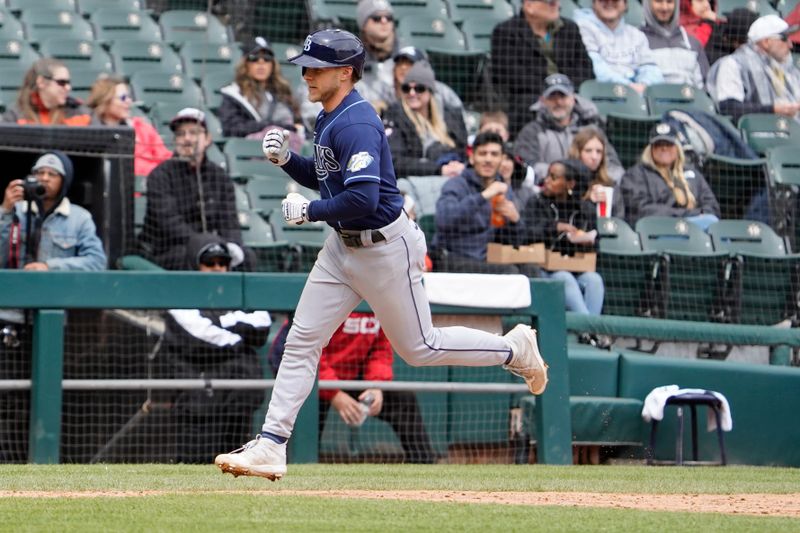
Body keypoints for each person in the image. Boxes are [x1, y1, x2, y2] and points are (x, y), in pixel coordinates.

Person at [214, 28, 548, 480]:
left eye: (317, 67)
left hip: (384, 247)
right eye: (306, 67)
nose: (306, 75)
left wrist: (309, 211)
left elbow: (364, 200)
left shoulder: (356, 121)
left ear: (346, 73)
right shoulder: (328, 114)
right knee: (301, 341)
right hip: (342, 248)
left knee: (420, 348)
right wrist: (288, 161)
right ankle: (272, 444)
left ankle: (512, 349)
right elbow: (330, 176)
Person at [0, 151, 106, 462]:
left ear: (64, 181)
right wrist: (5, 210)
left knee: (41, 397)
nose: (44, 178)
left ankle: (32, 460)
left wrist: (51, 266)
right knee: (6, 395)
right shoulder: (15, 211)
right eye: (39, 172)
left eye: (52, 173)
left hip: (52, 326)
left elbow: (96, 261)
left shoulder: (78, 218)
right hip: (8, 319)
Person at [268, 312, 436, 464]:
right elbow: (308, 350)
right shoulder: (330, 293)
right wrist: (334, 393)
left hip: (351, 374)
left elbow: (380, 349)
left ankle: (425, 465)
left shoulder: (381, 300)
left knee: (403, 399)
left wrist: (376, 384)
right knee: (305, 417)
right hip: (308, 372)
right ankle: (292, 467)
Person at [163, 233, 270, 464]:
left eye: (223, 263)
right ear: (195, 265)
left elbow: (262, 325)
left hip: (240, 404)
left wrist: (221, 321)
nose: (218, 268)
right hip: (198, 410)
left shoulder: (243, 294)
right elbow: (200, 336)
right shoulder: (179, 295)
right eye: (209, 263)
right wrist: (238, 332)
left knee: (238, 474)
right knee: (196, 475)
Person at [137, 107, 247, 270]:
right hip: (170, 249)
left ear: (208, 138)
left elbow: (229, 221)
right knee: (186, 258)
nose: (187, 139)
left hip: (213, 247)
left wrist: (230, 246)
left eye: (194, 132)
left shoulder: (220, 176)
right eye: (181, 134)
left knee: (247, 257)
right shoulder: (160, 175)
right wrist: (205, 245)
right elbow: (168, 222)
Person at [433, 131, 538, 277]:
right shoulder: (456, 185)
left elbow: (510, 241)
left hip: (488, 259)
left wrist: (515, 221)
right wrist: (483, 196)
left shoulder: (503, 190)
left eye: (494, 154)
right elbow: (444, 219)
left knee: (531, 270)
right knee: (509, 273)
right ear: (472, 157)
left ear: (501, 159)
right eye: (483, 153)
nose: (488, 159)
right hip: (453, 258)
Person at [491, 0, 594, 136]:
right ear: (529, 6)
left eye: (558, 2)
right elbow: (509, 74)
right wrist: (549, 92)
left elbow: (585, 68)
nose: (557, 6)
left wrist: (566, 90)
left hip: (569, 94)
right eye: (551, 3)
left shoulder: (569, 28)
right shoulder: (505, 31)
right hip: (529, 98)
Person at [520, 160, 606, 322]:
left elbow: (597, 246)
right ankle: (591, 331)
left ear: (570, 183)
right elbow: (524, 235)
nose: (547, 180)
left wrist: (585, 242)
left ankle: (587, 333)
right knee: (564, 277)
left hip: (576, 268)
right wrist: (554, 228)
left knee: (594, 280)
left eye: (554, 177)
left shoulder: (584, 209)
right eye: (547, 176)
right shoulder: (536, 202)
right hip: (544, 268)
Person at [513, 73, 625, 183]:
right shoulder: (532, 131)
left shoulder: (591, 129)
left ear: (573, 98)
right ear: (543, 100)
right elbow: (527, 168)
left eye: (562, 96)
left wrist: (593, 181)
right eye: (552, 97)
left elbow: (615, 168)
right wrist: (566, 177)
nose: (558, 102)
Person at [620, 122, 720, 229]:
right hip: (658, 230)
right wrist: (687, 214)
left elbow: (712, 207)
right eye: (659, 145)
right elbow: (642, 209)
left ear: (677, 148)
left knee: (712, 223)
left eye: (669, 144)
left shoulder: (693, 174)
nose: (664, 148)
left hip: (695, 230)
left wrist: (698, 214)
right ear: (651, 149)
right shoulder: (636, 174)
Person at [706, 15, 800, 123]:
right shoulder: (733, 64)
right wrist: (773, 110)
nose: (790, 45)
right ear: (766, 42)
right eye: (784, 38)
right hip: (752, 135)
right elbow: (728, 108)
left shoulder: (788, 69)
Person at [383, 61, 468, 179]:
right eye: (407, 88)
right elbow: (394, 161)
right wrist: (438, 169)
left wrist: (455, 164)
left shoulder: (450, 115)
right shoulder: (394, 115)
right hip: (412, 181)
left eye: (419, 88)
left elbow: (462, 150)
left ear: (430, 91)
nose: (412, 93)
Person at [217, 36, 302, 142]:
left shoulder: (283, 92)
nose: (261, 63)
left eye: (266, 58)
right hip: (252, 150)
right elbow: (231, 128)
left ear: (272, 64)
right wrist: (269, 126)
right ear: (245, 63)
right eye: (254, 58)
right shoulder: (234, 94)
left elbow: (298, 125)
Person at [87, 75, 172, 178]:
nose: (129, 101)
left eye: (128, 97)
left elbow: (166, 159)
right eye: (123, 98)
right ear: (105, 100)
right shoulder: (88, 131)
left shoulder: (142, 128)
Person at [574, 0, 664, 93]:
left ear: (625, 4)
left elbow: (651, 67)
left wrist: (644, 85)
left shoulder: (636, 34)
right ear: (594, 3)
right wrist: (629, 87)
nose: (609, 2)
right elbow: (594, 66)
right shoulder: (581, 28)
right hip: (601, 93)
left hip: (635, 96)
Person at [2, 58, 91, 126]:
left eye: (68, 83)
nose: (68, 88)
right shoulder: (14, 116)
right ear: (41, 82)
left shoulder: (82, 113)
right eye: (61, 82)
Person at [641, 0, 710, 87]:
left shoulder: (692, 43)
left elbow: (704, 86)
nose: (664, 8)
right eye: (658, 1)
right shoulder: (636, 41)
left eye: (669, 2)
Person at [567, 125, 625, 218]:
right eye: (588, 151)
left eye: (599, 151)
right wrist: (587, 201)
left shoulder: (610, 185)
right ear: (577, 152)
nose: (594, 157)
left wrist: (607, 204)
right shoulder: (566, 182)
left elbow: (618, 220)